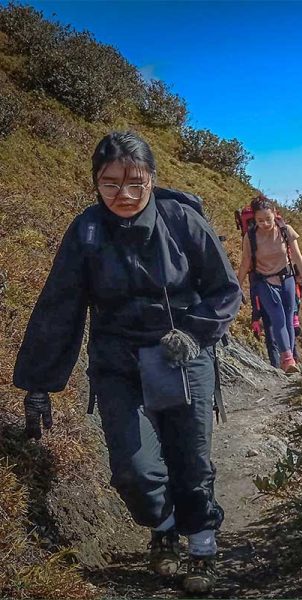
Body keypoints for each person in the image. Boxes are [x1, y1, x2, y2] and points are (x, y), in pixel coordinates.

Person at [13, 131, 241, 594]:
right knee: (135, 469)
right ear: (96, 182)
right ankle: (165, 527)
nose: (124, 194)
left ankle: (201, 547)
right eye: (111, 183)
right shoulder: (87, 231)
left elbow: (225, 290)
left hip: (183, 358)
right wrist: (38, 383)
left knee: (191, 461)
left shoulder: (182, 220)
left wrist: (193, 333)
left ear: (152, 180)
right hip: (118, 364)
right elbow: (60, 305)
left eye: (136, 183)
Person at [237, 195, 302, 373]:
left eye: (268, 219)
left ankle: (290, 357)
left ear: (275, 214)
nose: (264, 223)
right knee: (278, 319)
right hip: (264, 282)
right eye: (260, 220)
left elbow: (296, 256)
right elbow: (245, 263)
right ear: (254, 219)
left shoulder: (286, 230)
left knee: (288, 320)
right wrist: (237, 286)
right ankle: (287, 359)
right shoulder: (250, 237)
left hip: (287, 279)